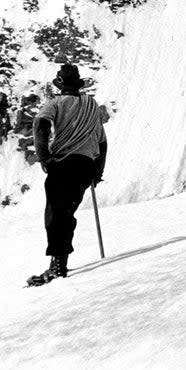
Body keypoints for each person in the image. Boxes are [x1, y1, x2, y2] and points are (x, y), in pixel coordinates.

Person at [27, 62, 107, 286]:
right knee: (66, 212)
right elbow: (102, 141)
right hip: (86, 166)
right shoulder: (92, 105)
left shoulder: (56, 103)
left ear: (60, 85)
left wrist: (44, 157)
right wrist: (97, 172)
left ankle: (58, 266)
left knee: (55, 214)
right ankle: (59, 261)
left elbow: (40, 125)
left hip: (63, 164)